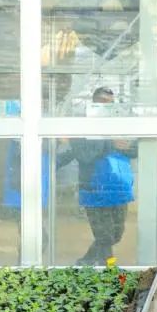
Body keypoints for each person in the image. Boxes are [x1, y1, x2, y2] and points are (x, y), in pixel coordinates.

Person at [57, 87, 135, 265]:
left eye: (110, 103)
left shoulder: (120, 125)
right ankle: (109, 269)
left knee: (116, 235)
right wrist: (110, 142)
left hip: (118, 189)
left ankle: (85, 262)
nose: (106, 107)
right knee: (105, 237)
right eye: (102, 102)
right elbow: (85, 155)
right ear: (93, 103)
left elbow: (135, 150)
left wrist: (128, 146)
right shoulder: (82, 127)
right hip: (94, 190)